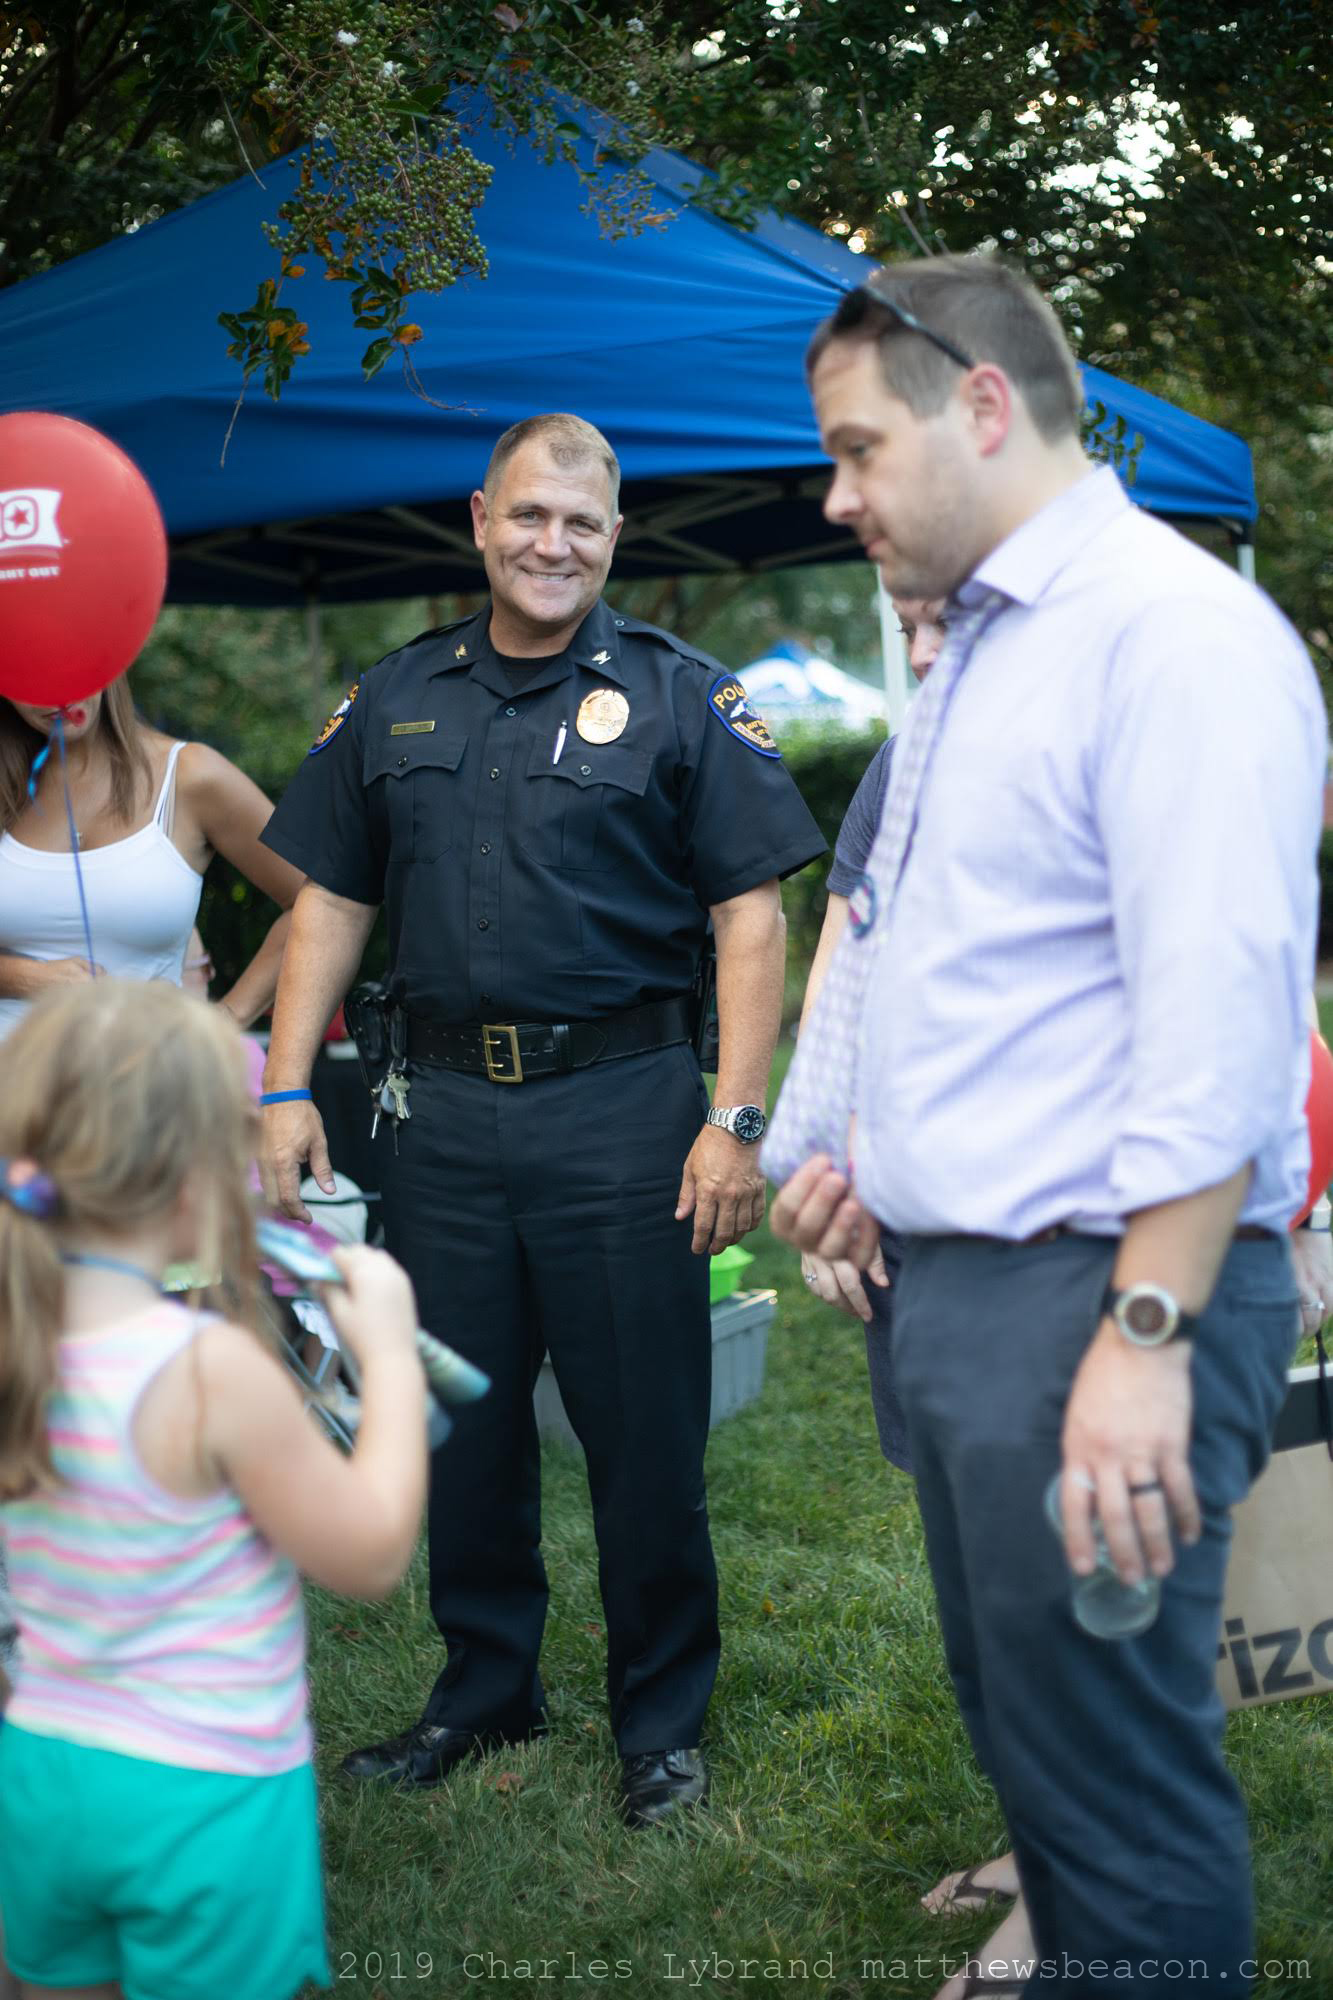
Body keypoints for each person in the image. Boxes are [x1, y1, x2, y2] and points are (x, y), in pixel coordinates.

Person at [764, 255, 1321, 1999]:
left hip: (1100, 1303)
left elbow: (1216, 1020)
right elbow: (963, 961)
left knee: (1120, 1800)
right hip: (973, 1297)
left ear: (981, 405)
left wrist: (1142, 1334)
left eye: (857, 450)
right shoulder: (987, 653)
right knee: (1048, 1770)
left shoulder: (1170, 635)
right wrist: (869, 1151)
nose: (836, 494)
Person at [257, 412, 826, 1826]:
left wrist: (737, 1122)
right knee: (461, 1425)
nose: (551, 543)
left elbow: (751, 918)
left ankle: (661, 1723)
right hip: (439, 1119)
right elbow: (330, 900)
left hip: (626, 1116)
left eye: (580, 522)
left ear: (614, 537)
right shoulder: (393, 700)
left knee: (643, 1432)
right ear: (479, 520)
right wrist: (279, 1087)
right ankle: (485, 1689)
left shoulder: (686, 696)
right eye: (528, 516)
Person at [0, 978, 428, 2000]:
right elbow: (369, 1552)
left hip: (43, 1771)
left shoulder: (19, 1341)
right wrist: (389, 1350)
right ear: (200, 1177)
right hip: (204, 1788)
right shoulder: (207, 1372)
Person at [0, 672, 303, 1033]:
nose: (56, 694)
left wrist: (224, 1020)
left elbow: (318, 900)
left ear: (109, 654)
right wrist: (23, 976)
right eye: (30, 671)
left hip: (151, 1082)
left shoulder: (190, 775)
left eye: (71, 661)